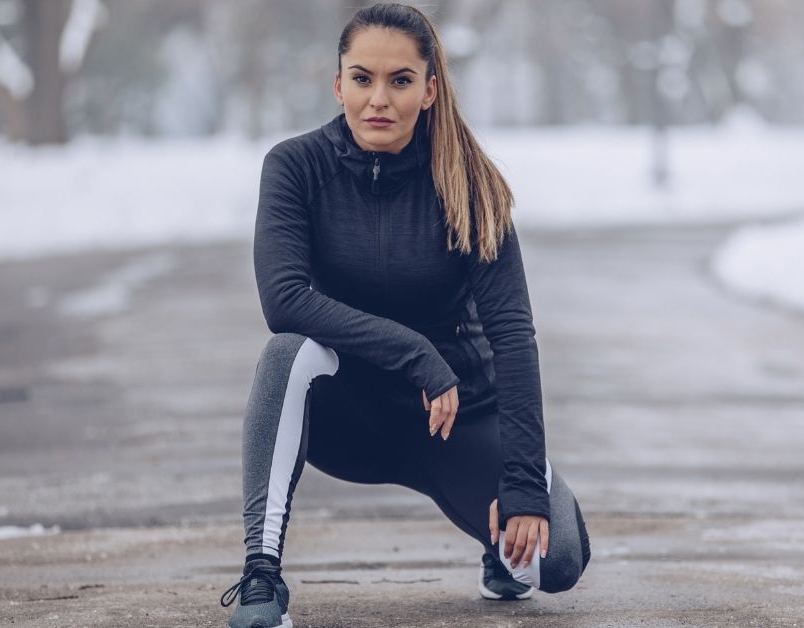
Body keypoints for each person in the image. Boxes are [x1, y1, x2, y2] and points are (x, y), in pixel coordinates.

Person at [221, 4, 590, 626]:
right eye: (362, 79)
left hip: (455, 419)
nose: (378, 100)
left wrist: (524, 482)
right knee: (285, 353)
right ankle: (261, 575)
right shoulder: (294, 167)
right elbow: (284, 300)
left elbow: (513, 336)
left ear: (429, 89)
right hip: (348, 418)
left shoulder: (470, 184)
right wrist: (417, 354)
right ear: (338, 84)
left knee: (555, 566)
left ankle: (499, 552)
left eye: (400, 81)